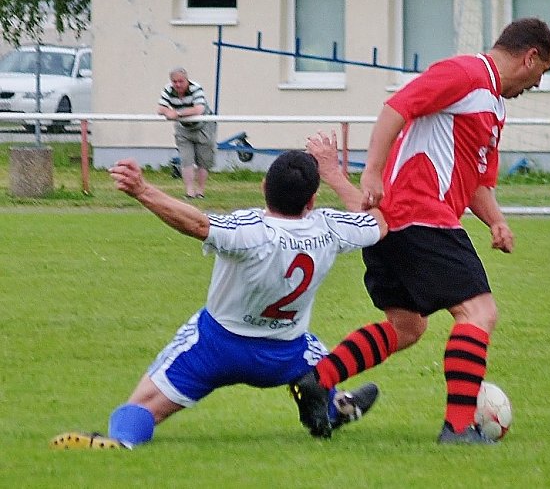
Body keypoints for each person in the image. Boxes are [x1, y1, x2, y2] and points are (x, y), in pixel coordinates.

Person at [289, 17, 550, 444]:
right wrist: (373, 173)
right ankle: (458, 429)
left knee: (406, 327)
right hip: (419, 214)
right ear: (530, 57)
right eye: (542, 72)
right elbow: (397, 108)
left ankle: (319, 380)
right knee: (478, 313)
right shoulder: (465, 73)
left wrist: (496, 221)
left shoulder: (493, 106)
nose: (538, 84)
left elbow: (475, 182)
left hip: (396, 224)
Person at [51, 133, 389, 449]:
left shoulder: (251, 229)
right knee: (323, 366)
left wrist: (142, 190)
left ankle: (121, 442)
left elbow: (197, 223)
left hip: (215, 347)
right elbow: (378, 222)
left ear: (263, 187)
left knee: (140, 408)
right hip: (288, 353)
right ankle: (336, 407)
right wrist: (332, 172)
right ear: (312, 200)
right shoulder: (328, 227)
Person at [157, 67, 217, 199]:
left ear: (186, 80)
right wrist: (168, 112)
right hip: (183, 128)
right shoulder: (168, 89)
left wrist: (177, 113)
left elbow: (199, 109)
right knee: (186, 160)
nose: (177, 84)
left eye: (180, 81)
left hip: (203, 126)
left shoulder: (196, 88)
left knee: (204, 161)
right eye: (174, 82)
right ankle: (189, 192)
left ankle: (200, 192)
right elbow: (160, 108)